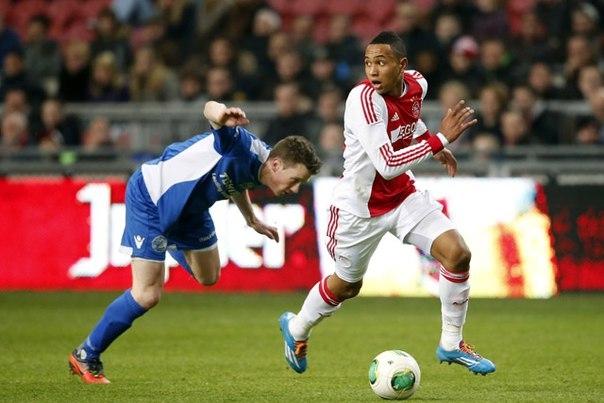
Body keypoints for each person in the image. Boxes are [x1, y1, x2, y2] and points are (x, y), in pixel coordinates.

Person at [279, 31, 496, 376]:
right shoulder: (363, 100)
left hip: (402, 196)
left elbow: (409, 121)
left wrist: (431, 143)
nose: (372, 70)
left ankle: (452, 343)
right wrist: (440, 139)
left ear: (401, 65)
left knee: (457, 253)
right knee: (347, 285)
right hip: (358, 209)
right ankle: (296, 328)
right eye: (368, 62)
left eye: (381, 62)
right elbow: (387, 163)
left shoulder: (417, 84)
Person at [69, 100, 322, 384]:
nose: (295, 188)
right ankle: (86, 354)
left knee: (208, 275)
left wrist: (251, 218)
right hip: (152, 197)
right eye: (295, 179)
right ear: (276, 164)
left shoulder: (262, 166)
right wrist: (221, 113)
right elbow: (209, 109)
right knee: (147, 294)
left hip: (191, 209)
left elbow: (238, 182)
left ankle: (169, 240)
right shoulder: (237, 142)